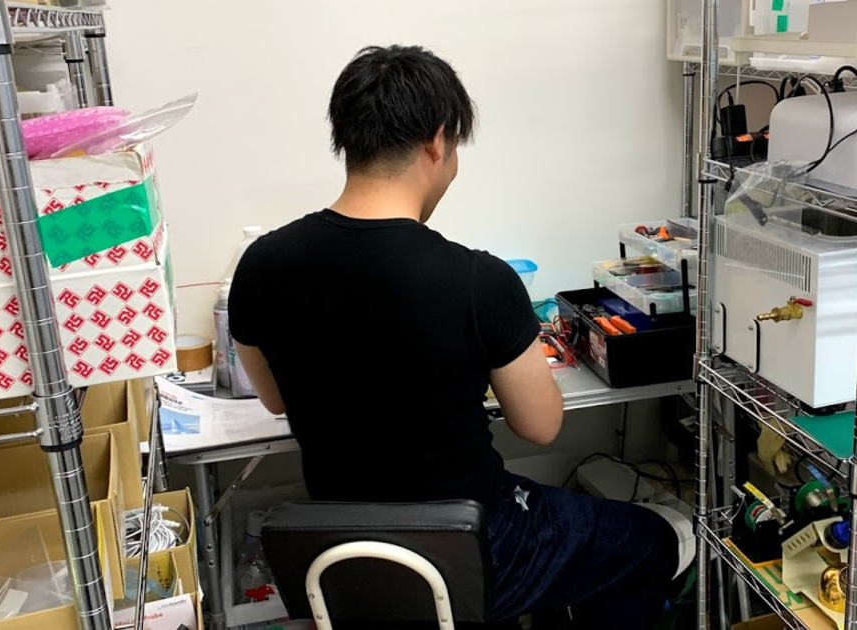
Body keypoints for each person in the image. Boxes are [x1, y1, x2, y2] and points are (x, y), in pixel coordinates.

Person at [228, 45, 682, 629]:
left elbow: (275, 399)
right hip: (474, 545)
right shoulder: (479, 279)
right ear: (438, 141)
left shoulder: (261, 265)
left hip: (346, 553)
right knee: (646, 540)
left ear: (347, 138)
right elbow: (541, 426)